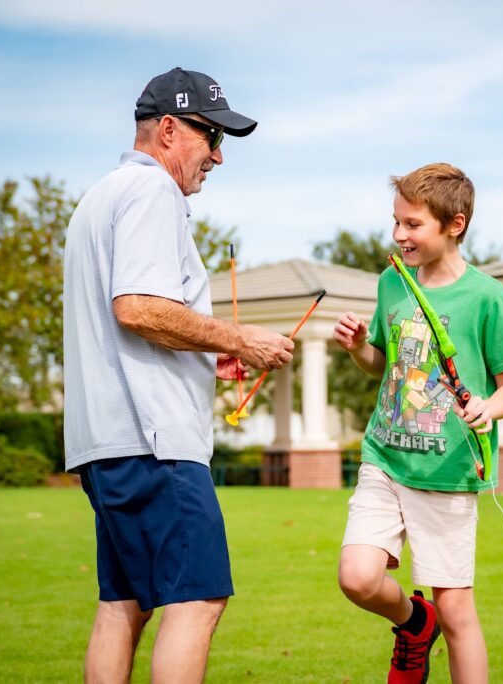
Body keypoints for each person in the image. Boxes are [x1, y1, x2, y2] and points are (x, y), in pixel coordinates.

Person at [63, 67, 294, 683]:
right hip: (152, 442)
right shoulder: (151, 193)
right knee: (198, 599)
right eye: (209, 136)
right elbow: (137, 306)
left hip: (108, 442)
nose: (218, 156)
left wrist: (204, 348)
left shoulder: (100, 195)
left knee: (124, 605)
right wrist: (241, 336)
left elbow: (141, 315)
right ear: (168, 129)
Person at [332, 163, 503, 683]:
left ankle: (434, 621)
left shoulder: (487, 297)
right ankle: (415, 624)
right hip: (385, 456)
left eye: (413, 225)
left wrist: (489, 406)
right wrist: (357, 348)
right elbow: (384, 365)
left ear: (454, 225)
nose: (399, 235)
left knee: (458, 611)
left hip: (448, 470)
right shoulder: (392, 284)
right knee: (356, 578)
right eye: (396, 221)